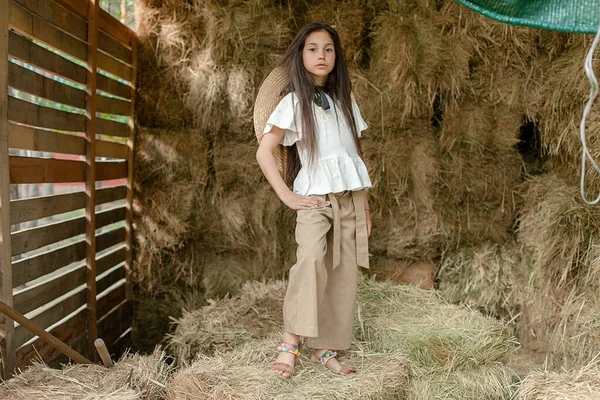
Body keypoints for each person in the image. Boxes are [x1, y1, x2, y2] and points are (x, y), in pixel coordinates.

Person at [255, 22, 372, 380]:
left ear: (336, 57)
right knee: (309, 261)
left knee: (341, 273)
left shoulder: (344, 102)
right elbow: (264, 151)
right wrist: (287, 195)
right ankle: (290, 344)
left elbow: (354, 154)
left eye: (328, 49)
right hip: (315, 199)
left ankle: (325, 348)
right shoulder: (293, 102)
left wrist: (365, 207)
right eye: (312, 49)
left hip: (350, 198)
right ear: (300, 56)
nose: (321, 55)